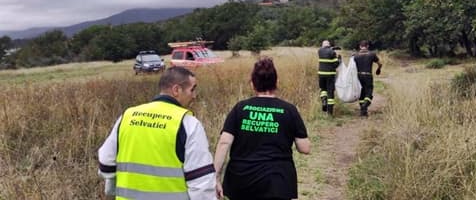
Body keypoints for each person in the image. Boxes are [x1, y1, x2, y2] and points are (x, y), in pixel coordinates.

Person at [98, 66, 217, 200]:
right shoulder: (188, 124)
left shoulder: (127, 116)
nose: (194, 96)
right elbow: (201, 182)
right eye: (192, 89)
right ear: (176, 90)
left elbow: (106, 164)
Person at [214, 57, 311, 200]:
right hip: (277, 182)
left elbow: (224, 143)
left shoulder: (240, 108)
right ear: (276, 83)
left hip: (241, 181)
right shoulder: (289, 110)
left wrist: (215, 176)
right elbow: (305, 148)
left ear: (253, 84)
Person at [353, 40, 382, 117]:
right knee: (369, 92)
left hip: (358, 76)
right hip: (368, 75)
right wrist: (378, 69)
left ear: (360, 46)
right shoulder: (372, 54)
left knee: (361, 94)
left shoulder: (355, 56)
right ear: (367, 46)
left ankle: (363, 112)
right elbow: (380, 63)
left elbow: (351, 68)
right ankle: (364, 106)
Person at [317, 39, 340, 115]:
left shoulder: (319, 51)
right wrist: (339, 59)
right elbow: (336, 64)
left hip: (321, 74)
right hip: (330, 75)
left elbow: (325, 50)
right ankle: (330, 112)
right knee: (330, 92)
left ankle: (324, 100)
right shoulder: (332, 52)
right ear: (329, 45)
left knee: (323, 89)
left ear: (322, 45)